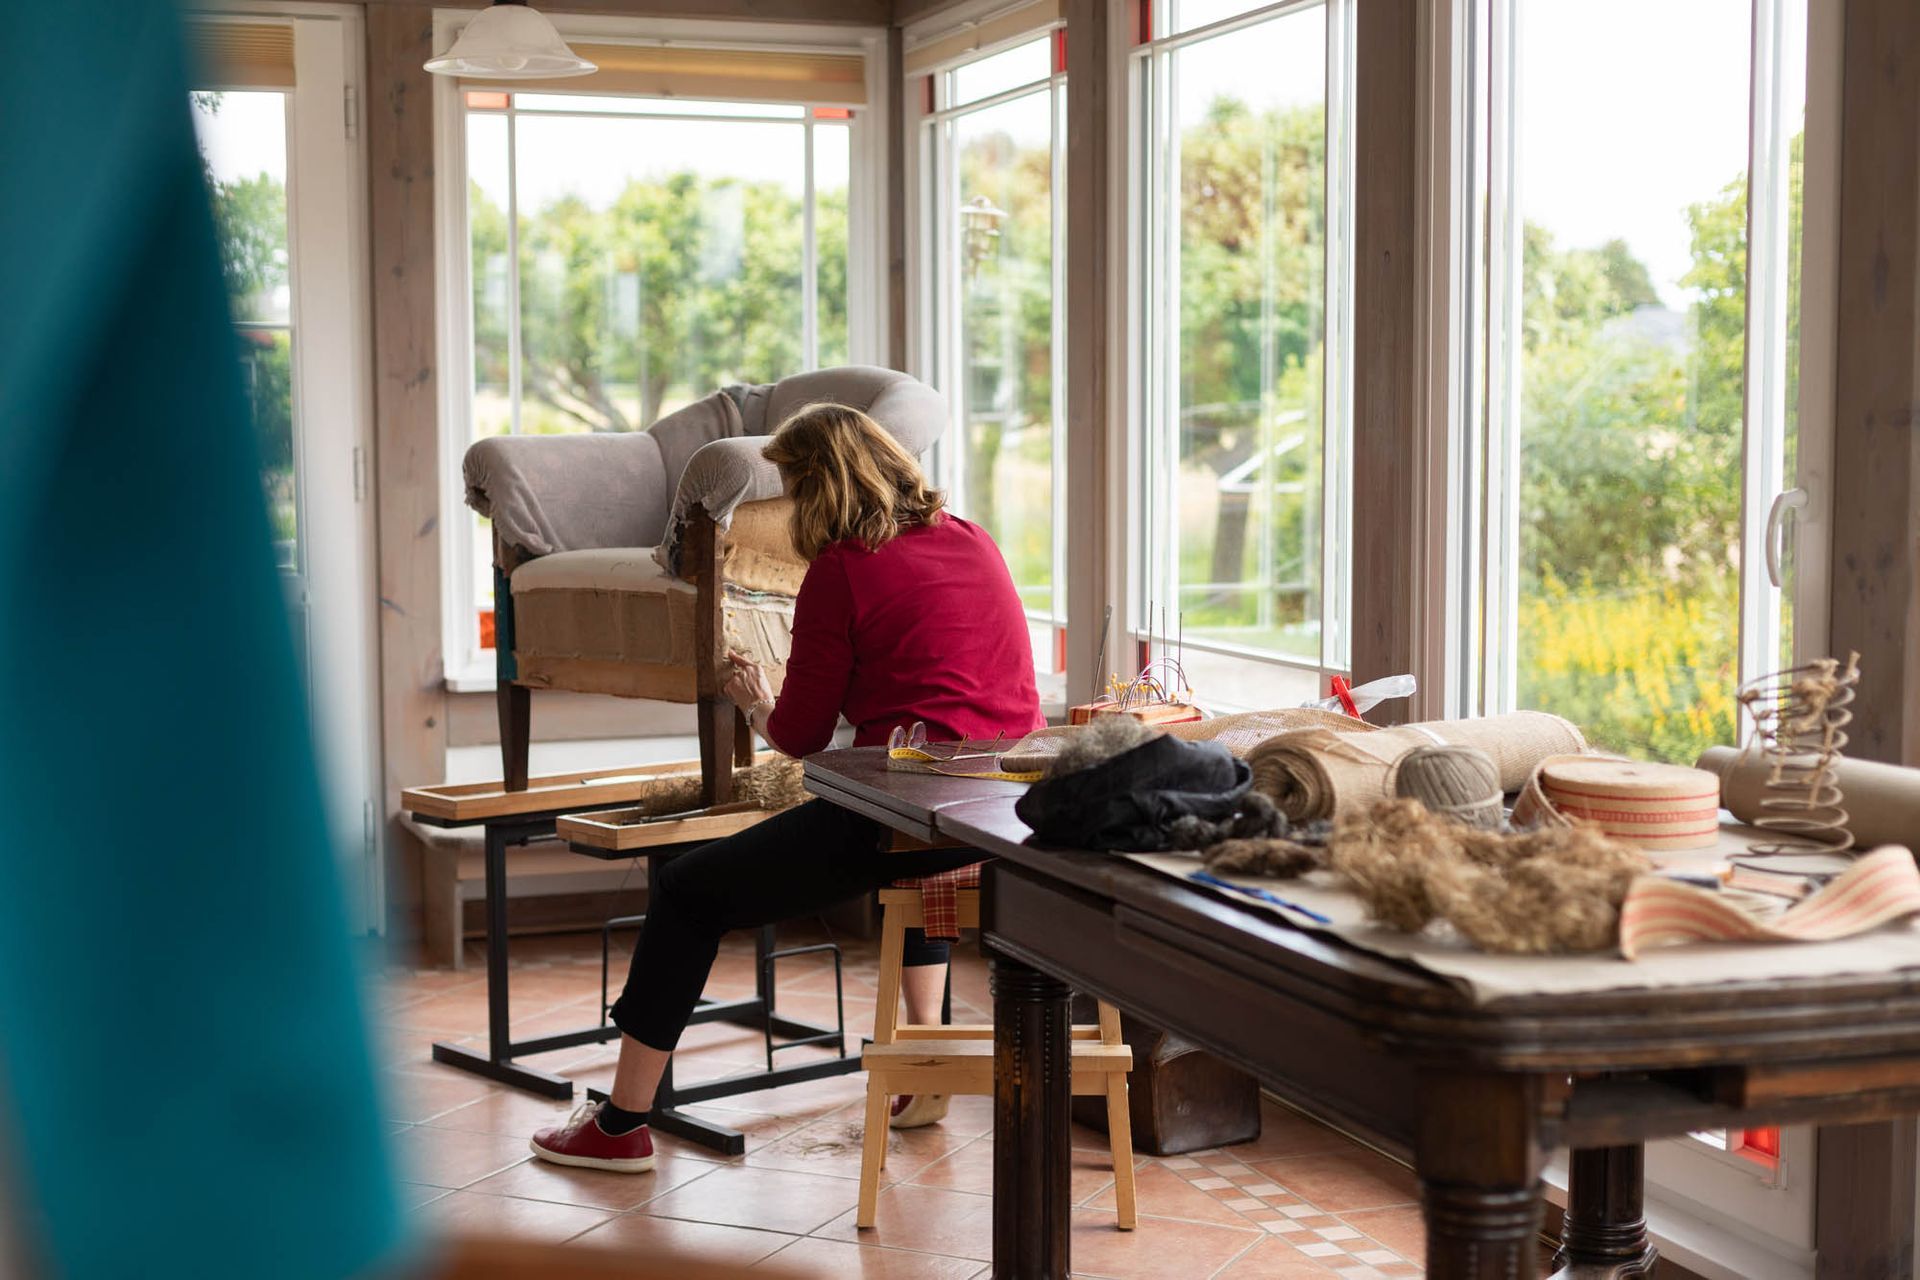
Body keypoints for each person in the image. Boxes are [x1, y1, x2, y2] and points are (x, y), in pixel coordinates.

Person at [529, 402, 1045, 1172]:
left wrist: (753, 697)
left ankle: (621, 1124)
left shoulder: (843, 568)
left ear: (818, 485)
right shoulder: (974, 539)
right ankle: (926, 1069)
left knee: (685, 888)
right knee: (921, 844)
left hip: (902, 817)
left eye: (795, 488)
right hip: (995, 807)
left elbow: (801, 738)